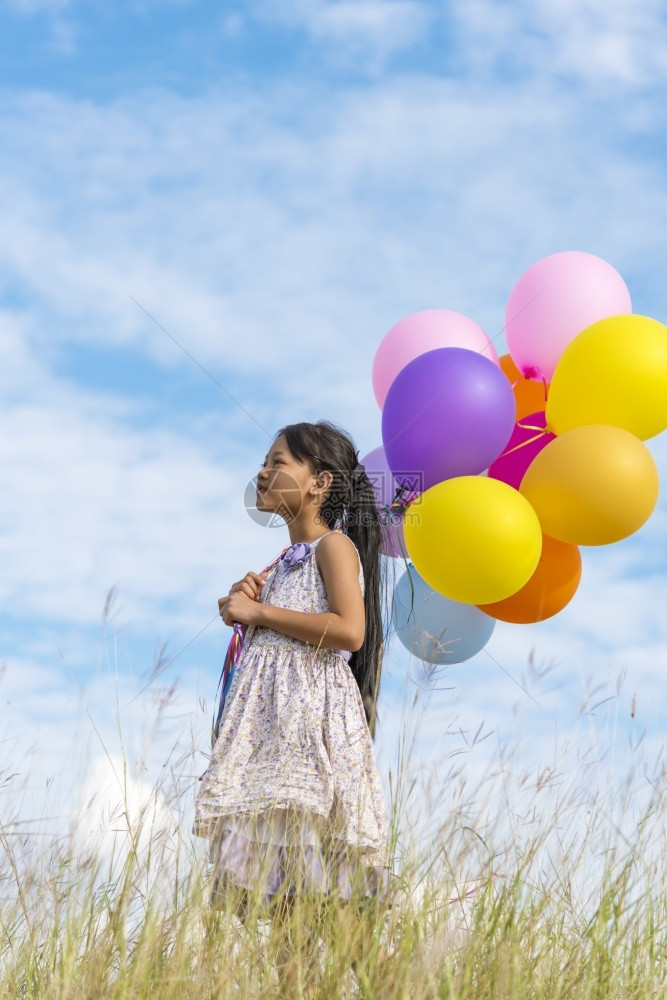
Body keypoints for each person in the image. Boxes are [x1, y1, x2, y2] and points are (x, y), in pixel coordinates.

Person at [192, 419, 397, 993]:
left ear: (319, 483)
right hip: (274, 753)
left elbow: (350, 631)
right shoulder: (283, 564)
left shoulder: (334, 546)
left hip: (311, 749)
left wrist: (260, 615)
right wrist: (242, 609)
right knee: (287, 927)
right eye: (266, 460)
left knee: (347, 919)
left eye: (279, 462)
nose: (264, 471)